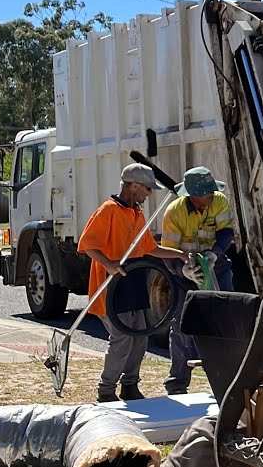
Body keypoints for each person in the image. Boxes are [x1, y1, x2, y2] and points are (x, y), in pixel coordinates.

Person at [78, 163, 186, 403]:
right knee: (123, 338)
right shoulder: (109, 210)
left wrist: (178, 254)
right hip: (111, 286)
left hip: (134, 284)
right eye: (147, 189)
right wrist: (109, 263)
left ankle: (130, 385)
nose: (148, 194)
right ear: (134, 185)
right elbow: (87, 245)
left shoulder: (136, 213)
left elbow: (150, 248)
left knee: (140, 337)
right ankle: (106, 389)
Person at [160, 166, 236, 396]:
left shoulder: (219, 201)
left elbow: (225, 232)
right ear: (192, 195)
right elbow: (168, 251)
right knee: (183, 324)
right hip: (185, 272)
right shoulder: (174, 213)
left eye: (213, 192)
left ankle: (228, 378)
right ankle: (177, 383)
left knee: (226, 319)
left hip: (217, 266)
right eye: (206, 194)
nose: (211, 196)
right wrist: (184, 271)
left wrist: (215, 254)